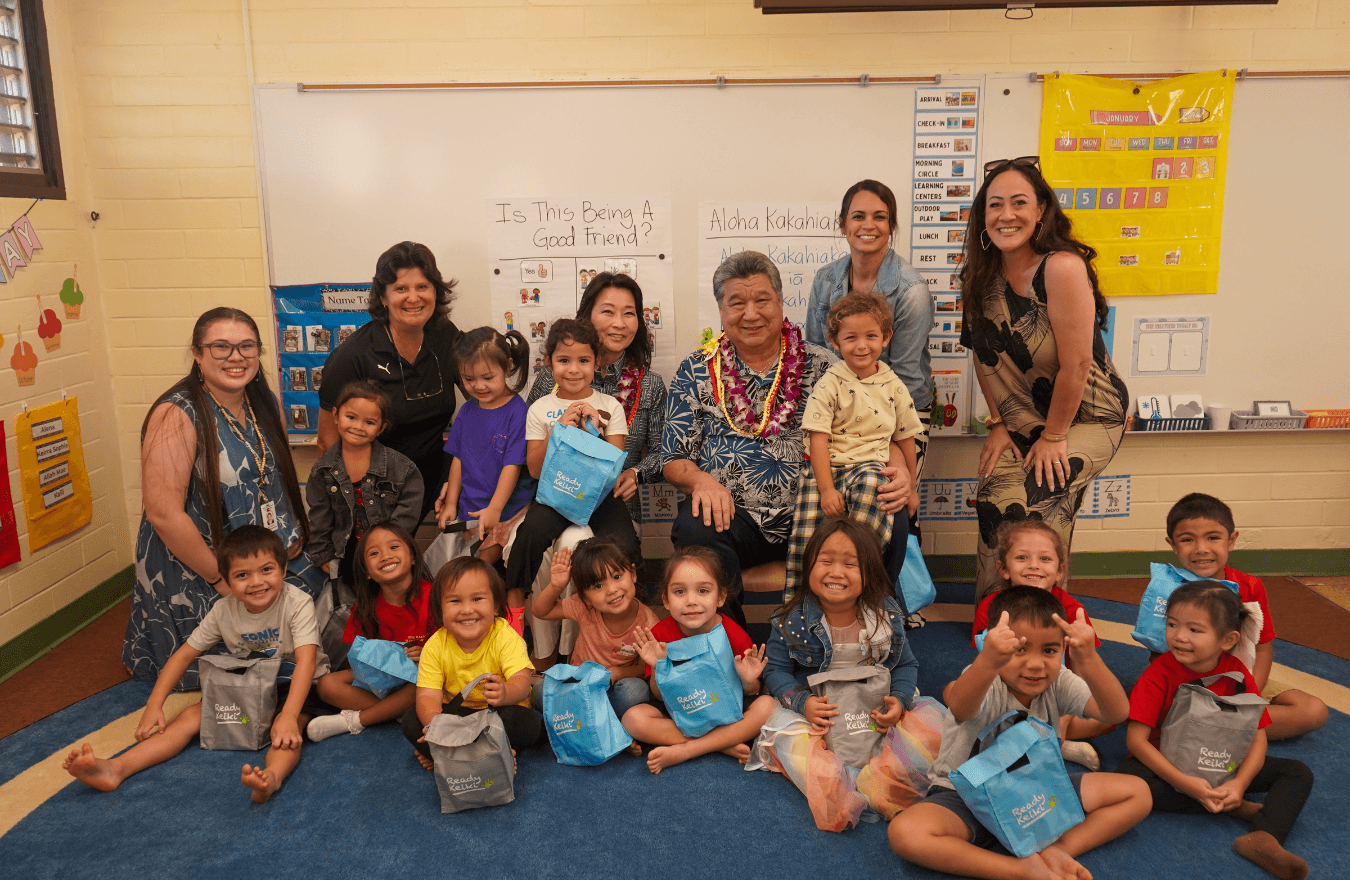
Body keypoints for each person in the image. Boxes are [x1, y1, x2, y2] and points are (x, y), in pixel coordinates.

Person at [662, 251, 910, 619]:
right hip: (734, 515)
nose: (751, 313)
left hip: (818, 507)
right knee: (695, 526)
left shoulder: (825, 364)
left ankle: (864, 632)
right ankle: (729, 647)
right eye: (737, 303)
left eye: (762, 300)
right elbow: (673, 458)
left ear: (780, 302)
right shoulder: (695, 370)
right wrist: (701, 481)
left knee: (890, 506)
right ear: (721, 310)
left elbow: (878, 427)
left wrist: (901, 469)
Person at [889, 586, 1150, 880]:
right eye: (1019, 649)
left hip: (1036, 791)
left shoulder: (1059, 679)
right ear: (993, 646)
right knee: (905, 832)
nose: (1036, 664)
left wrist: (1089, 659)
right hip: (966, 796)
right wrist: (987, 661)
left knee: (1138, 792)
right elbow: (961, 708)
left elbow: (1115, 713)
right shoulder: (985, 676)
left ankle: (1058, 850)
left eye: (1050, 650)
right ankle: (1020, 868)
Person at [123, 308, 322, 688]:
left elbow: (273, 481)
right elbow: (163, 514)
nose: (236, 357)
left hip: (261, 554)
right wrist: (220, 578)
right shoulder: (177, 414)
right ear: (197, 354)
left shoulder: (262, 403)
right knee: (232, 674)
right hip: (202, 563)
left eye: (247, 346)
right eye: (221, 347)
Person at [960, 157, 1130, 601]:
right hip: (1024, 415)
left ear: (1040, 212)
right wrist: (999, 423)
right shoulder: (979, 275)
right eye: (995, 204)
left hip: (1088, 414)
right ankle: (995, 612)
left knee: (1039, 493)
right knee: (995, 492)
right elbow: (984, 352)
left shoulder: (1061, 267)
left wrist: (1054, 436)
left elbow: (1076, 366)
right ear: (983, 217)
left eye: (1019, 202)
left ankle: (1043, 618)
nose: (1006, 214)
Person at [69, 526, 327, 804]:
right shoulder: (223, 610)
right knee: (190, 718)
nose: (256, 582)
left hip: (296, 684)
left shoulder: (297, 602)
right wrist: (154, 704)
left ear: (283, 569)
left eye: (266, 570)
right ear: (227, 580)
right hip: (248, 683)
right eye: (242, 575)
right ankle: (116, 769)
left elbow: (306, 662)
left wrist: (288, 716)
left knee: (288, 731)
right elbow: (183, 655)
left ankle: (271, 779)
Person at [1116, 581, 1314, 880]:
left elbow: (1257, 736)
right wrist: (1186, 783)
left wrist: (1240, 782)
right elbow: (1137, 741)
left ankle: (1264, 835)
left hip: (1222, 760)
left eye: (1195, 630)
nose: (1179, 636)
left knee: (1297, 773)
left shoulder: (1236, 672)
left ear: (1227, 639)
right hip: (1165, 764)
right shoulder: (1158, 674)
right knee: (1128, 783)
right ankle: (1230, 806)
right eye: (1172, 624)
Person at [506, 319, 643, 659]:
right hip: (555, 494)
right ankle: (514, 608)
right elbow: (536, 470)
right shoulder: (538, 409)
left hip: (598, 498)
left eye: (583, 361)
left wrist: (590, 430)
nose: (573, 370)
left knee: (625, 546)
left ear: (597, 363)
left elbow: (612, 470)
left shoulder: (610, 406)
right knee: (529, 536)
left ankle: (625, 622)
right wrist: (557, 431)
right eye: (564, 360)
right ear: (549, 362)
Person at [788, 291, 923, 595]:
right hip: (827, 471)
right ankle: (800, 608)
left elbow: (905, 438)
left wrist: (911, 488)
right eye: (851, 338)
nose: (862, 346)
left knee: (868, 515)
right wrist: (826, 489)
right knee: (807, 539)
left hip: (869, 467)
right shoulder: (830, 383)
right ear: (834, 342)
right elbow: (818, 437)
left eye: (871, 336)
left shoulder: (893, 385)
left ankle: (861, 592)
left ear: (886, 337)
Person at [319, 241, 463, 521]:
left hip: (437, 479)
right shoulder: (353, 356)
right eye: (400, 289)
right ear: (383, 297)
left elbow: (483, 401)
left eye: (422, 286)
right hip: (375, 488)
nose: (413, 298)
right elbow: (327, 441)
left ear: (436, 291)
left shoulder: (446, 336)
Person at [1164, 493, 1327, 741]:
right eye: (1187, 540)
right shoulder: (1166, 589)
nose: (1201, 549)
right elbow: (1159, 657)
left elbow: (1262, 648)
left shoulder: (1249, 586)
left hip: (1240, 681)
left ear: (1231, 540)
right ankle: (1224, 726)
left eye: (1213, 538)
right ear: (1173, 545)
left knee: (1313, 711)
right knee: (1169, 714)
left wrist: (1248, 694)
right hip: (1187, 687)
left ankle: (1221, 725)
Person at [805, 178, 935, 486]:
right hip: (837, 410)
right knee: (835, 508)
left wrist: (885, 445)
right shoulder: (825, 279)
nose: (869, 225)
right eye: (858, 216)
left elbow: (904, 381)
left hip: (899, 413)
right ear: (843, 224)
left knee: (893, 500)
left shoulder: (911, 291)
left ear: (891, 226)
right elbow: (814, 356)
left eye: (880, 217)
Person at [525, 272, 667, 523]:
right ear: (587, 315)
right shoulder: (551, 379)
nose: (620, 323)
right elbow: (528, 449)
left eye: (629, 313)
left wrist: (635, 473)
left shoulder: (650, 385)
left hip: (614, 506)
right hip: (552, 504)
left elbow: (663, 453)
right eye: (608, 312)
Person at [970, 519, 1109, 770]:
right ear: (1003, 568)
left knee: (1107, 716)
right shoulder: (990, 607)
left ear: (1060, 571)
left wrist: (1064, 720)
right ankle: (1044, 742)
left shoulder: (1073, 610)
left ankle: (1052, 738)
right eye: (1022, 558)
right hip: (1006, 696)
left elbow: (1081, 675)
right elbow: (984, 664)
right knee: (962, 699)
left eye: (1045, 559)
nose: (1034, 566)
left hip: (1055, 695)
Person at [626, 546, 777, 774]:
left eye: (703, 591)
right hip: (683, 710)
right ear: (665, 600)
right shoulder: (659, 635)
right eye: (679, 592)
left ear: (721, 597)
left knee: (768, 706)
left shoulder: (732, 633)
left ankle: (688, 749)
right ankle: (721, 744)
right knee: (632, 719)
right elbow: (658, 695)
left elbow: (750, 692)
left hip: (727, 710)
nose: (691, 601)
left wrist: (749, 681)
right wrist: (658, 667)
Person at [764, 518, 918, 736]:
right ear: (809, 567)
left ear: (870, 573)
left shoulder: (885, 616)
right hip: (818, 713)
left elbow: (905, 665)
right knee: (791, 741)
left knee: (912, 740)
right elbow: (775, 670)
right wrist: (803, 703)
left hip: (871, 709)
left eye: (850, 564)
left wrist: (899, 700)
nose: (836, 572)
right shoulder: (791, 620)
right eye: (826, 562)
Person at [433, 327, 536, 630]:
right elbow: (458, 458)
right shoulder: (466, 411)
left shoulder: (518, 411)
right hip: (471, 507)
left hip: (507, 510)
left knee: (476, 571)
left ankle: (502, 628)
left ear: (508, 368)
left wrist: (494, 509)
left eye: (487, 377)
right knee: (461, 572)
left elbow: (512, 466)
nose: (478, 386)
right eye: (468, 379)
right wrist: (451, 503)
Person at [402, 556, 542, 770]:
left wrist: (505, 692)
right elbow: (428, 695)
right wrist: (439, 726)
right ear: (440, 611)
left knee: (527, 724)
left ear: (496, 606)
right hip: (457, 717)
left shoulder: (505, 636)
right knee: (412, 721)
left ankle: (453, 759)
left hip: (497, 714)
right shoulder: (435, 645)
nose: (467, 609)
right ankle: (489, 758)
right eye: (455, 601)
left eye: (477, 599)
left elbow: (522, 682)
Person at [307, 523, 437, 742]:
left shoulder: (433, 596)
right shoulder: (366, 606)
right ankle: (394, 711)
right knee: (327, 684)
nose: (385, 556)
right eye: (374, 553)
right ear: (366, 571)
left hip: (423, 678)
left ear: (414, 557)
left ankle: (359, 720)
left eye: (394, 547)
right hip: (384, 682)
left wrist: (427, 655)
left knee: (421, 681)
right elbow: (359, 659)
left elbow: (454, 647)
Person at [533, 538, 659, 753]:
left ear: (633, 574)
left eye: (617, 577)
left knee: (635, 692)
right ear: (585, 597)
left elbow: (646, 667)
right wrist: (556, 586)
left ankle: (591, 728)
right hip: (578, 686)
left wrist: (618, 672)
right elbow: (541, 611)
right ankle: (607, 730)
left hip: (611, 691)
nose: (611, 590)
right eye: (598, 586)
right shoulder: (584, 608)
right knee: (539, 691)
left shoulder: (648, 623)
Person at [304, 381, 423, 588]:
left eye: (369, 422)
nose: (358, 427)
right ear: (335, 416)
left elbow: (406, 515)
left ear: (381, 428)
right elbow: (320, 517)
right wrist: (323, 554)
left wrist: (386, 549)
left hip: (389, 559)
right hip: (345, 558)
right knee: (356, 608)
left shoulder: (402, 469)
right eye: (351, 417)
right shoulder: (322, 471)